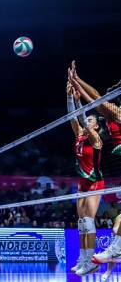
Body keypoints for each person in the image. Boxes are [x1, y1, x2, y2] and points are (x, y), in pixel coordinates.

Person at [68, 61, 121, 264]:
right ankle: (110, 251)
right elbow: (97, 97)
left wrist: (77, 85)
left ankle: (114, 250)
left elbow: (96, 101)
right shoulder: (112, 111)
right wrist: (76, 80)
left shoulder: (116, 113)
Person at [66, 68, 104, 276]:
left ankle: (91, 260)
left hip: (95, 182)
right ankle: (82, 258)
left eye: (91, 120)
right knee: (81, 223)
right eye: (87, 119)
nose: (87, 121)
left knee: (89, 221)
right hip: (82, 182)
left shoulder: (94, 138)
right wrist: (69, 96)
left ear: (96, 126)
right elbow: (73, 116)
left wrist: (79, 99)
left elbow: (80, 116)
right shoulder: (80, 135)